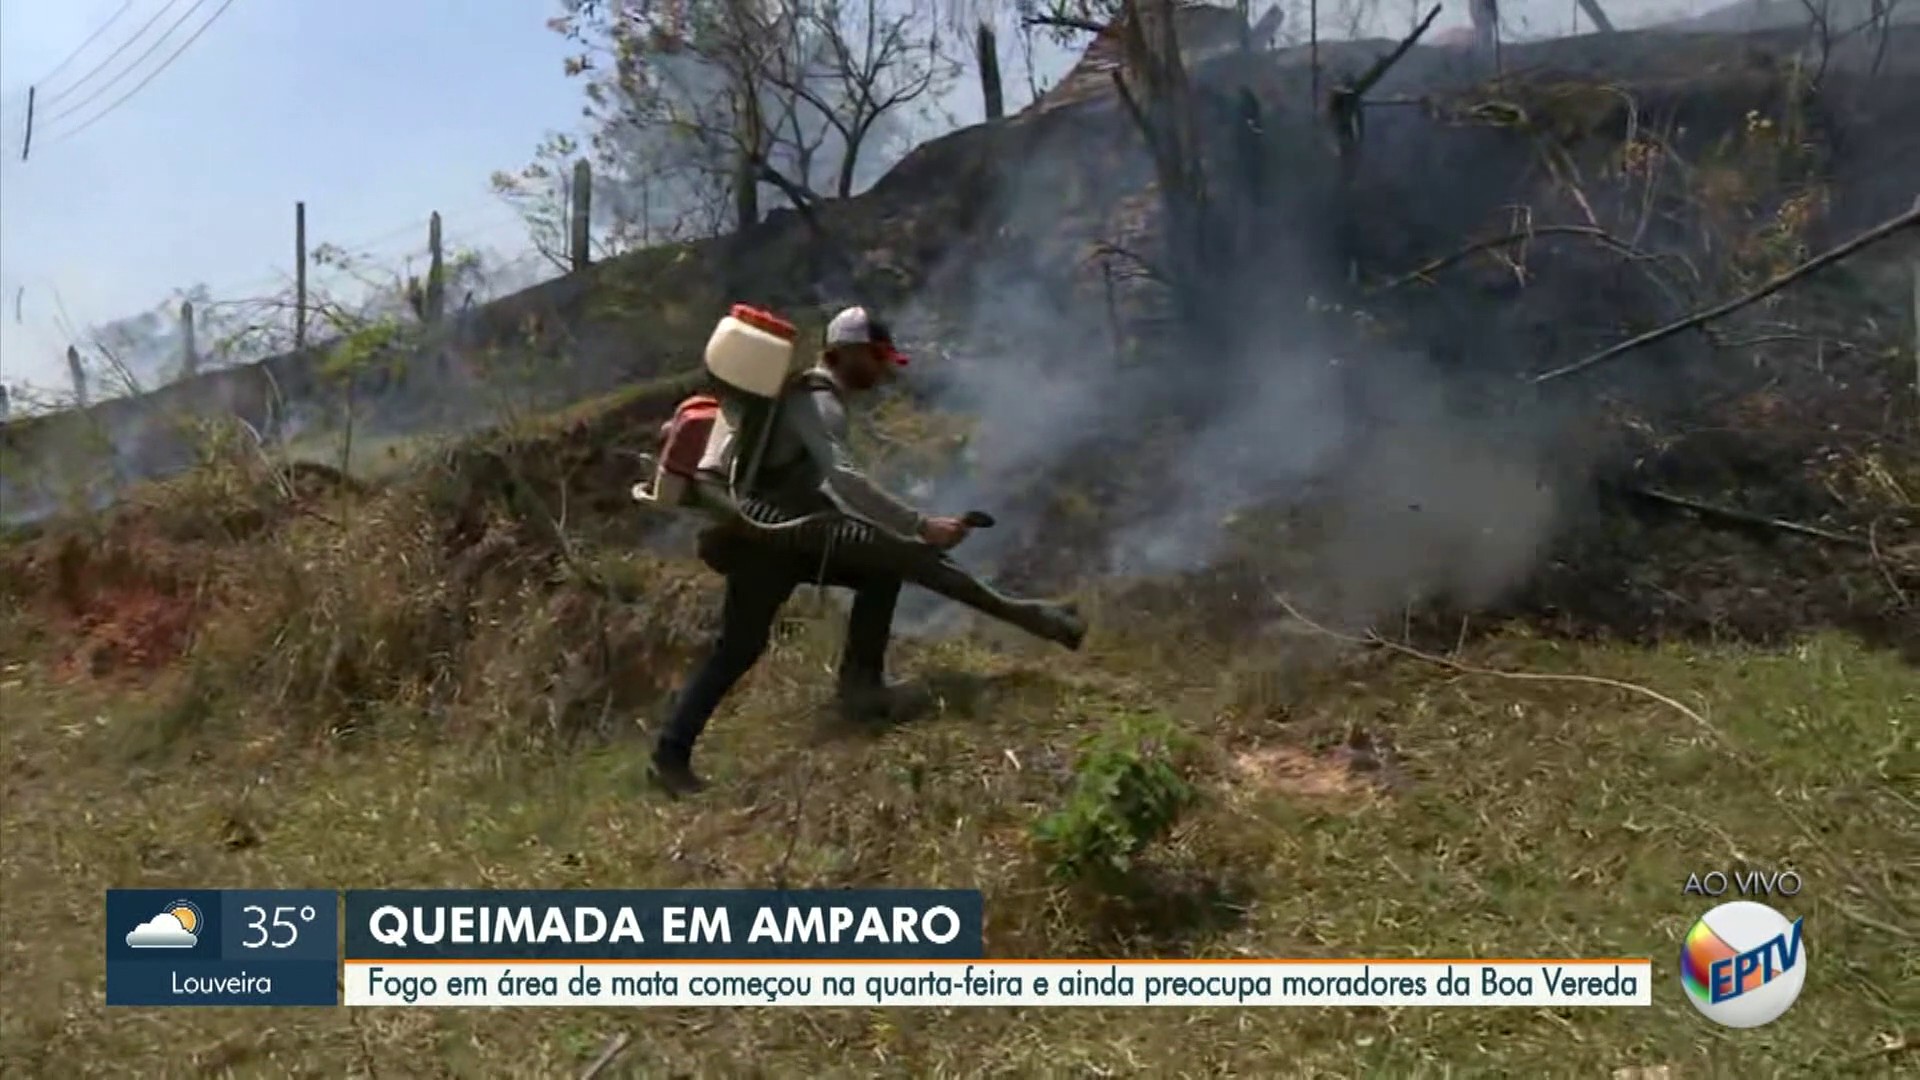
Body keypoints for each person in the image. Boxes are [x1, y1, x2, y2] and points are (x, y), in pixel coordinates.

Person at [651, 306, 976, 795]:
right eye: (876, 357)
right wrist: (919, 526)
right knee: (739, 648)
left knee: (876, 574)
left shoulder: (809, 398)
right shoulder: (817, 403)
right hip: (769, 542)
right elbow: (844, 478)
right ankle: (670, 757)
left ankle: (858, 691)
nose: (883, 370)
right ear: (845, 354)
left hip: (783, 538)